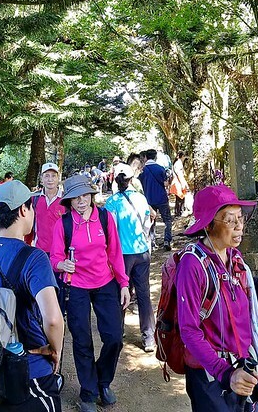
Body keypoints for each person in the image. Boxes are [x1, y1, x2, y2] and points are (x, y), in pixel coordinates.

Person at [176, 185, 258, 412]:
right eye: (229, 219)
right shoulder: (192, 265)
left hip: (243, 368)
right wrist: (225, 373)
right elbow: (189, 330)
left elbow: (245, 316)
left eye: (240, 218)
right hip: (210, 376)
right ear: (209, 223)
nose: (239, 225)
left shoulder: (236, 260)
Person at [0, 180, 65, 412]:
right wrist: (53, 350)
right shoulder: (35, 258)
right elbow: (52, 319)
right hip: (28, 367)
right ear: (23, 210)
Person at [50, 175, 129, 412]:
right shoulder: (62, 224)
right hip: (76, 286)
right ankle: (88, 390)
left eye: (85, 195)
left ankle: (103, 382)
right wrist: (62, 265)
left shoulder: (105, 218)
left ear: (91, 196)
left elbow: (115, 252)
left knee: (114, 336)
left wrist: (123, 284)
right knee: (82, 339)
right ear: (69, 201)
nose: (82, 201)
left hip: (105, 282)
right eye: (76, 197)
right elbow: (55, 257)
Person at [104, 166, 156, 352]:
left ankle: (118, 331)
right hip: (142, 252)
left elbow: (110, 231)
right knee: (144, 294)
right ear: (131, 179)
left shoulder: (112, 202)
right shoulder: (141, 198)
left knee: (122, 292)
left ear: (115, 180)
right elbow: (148, 220)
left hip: (122, 256)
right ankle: (149, 337)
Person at [139, 149, 173, 251]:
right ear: (155, 157)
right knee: (167, 220)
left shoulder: (142, 170)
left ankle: (152, 242)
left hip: (148, 199)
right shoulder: (160, 168)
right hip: (161, 198)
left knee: (151, 220)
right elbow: (165, 184)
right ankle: (167, 240)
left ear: (146, 157)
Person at [32, 162, 64, 256]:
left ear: (58, 178)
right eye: (46, 176)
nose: (50, 179)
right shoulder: (34, 198)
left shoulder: (65, 199)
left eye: (53, 176)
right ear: (41, 178)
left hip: (60, 250)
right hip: (39, 250)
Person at [170, 152, 190, 217]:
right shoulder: (178, 164)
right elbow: (179, 175)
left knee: (179, 198)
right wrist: (183, 184)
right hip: (178, 182)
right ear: (182, 156)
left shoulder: (178, 163)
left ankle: (178, 212)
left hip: (177, 182)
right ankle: (178, 213)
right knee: (180, 198)